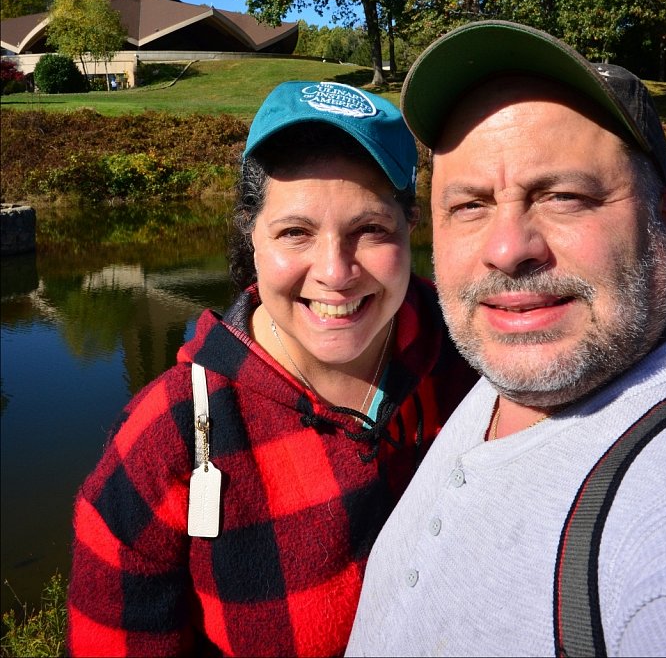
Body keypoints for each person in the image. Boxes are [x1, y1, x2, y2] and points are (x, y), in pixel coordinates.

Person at [67, 80, 476, 657]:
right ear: (251, 238)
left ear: (411, 229)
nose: (335, 271)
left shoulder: (474, 358)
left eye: (371, 230)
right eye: (295, 233)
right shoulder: (167, 438)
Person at [347, 21, 666, 658]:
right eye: (469, 205)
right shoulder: (503, 366)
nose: (506, 251)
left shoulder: (656, 529)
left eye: (563, 196)